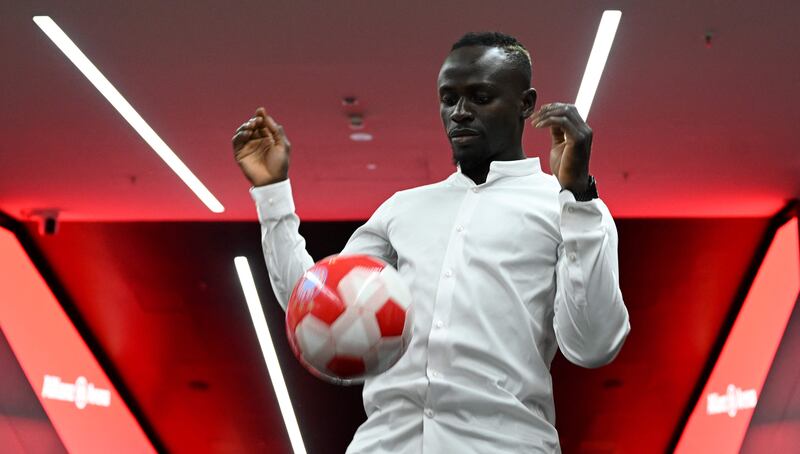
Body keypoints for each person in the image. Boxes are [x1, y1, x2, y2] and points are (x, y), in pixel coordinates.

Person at [232, 32, 630, 454]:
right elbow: (313, 304)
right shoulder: (403, 209)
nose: (459, 112)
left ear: (526, 104)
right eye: (448, 98)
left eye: (479, 96)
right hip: (384, 444)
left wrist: (579, 198)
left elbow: (592, 345)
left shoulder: (568, 207)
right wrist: (272, 193)